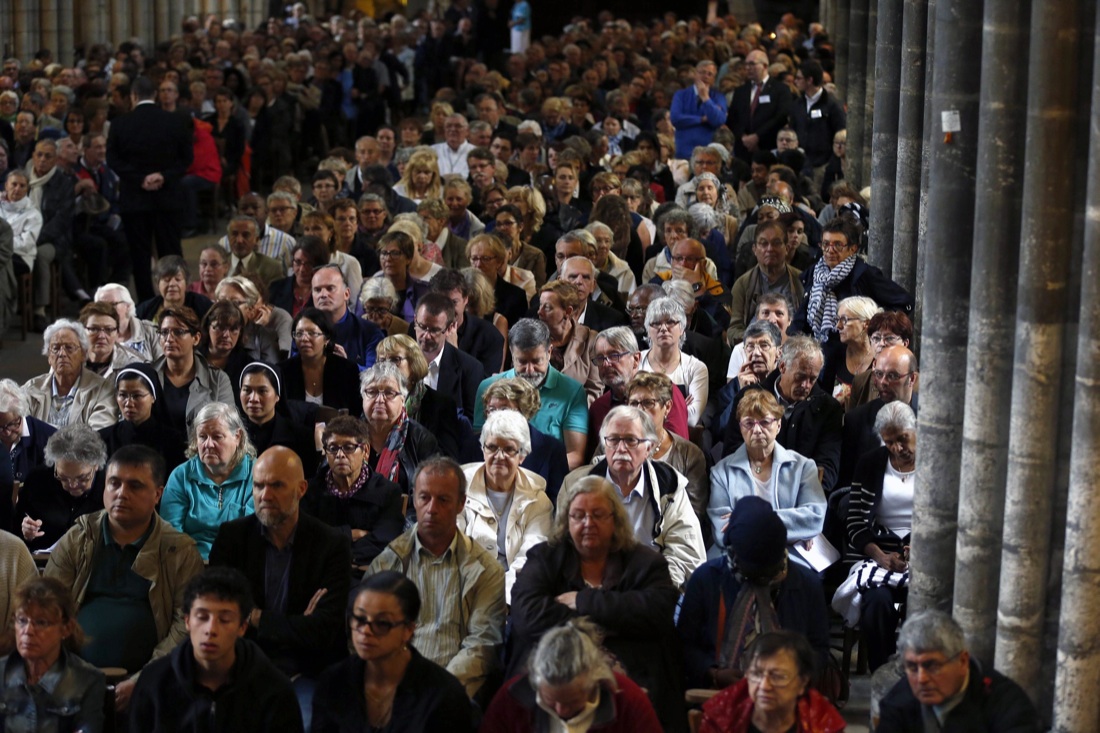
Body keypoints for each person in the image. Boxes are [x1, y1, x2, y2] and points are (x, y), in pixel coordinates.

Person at [508, 475, 685, 731]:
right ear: (566, 521)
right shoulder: (545, 557)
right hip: (553, 666)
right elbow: (526, 614)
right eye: (578, 515)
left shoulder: (646, 563)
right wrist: (613, 619)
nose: (588, 523)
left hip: (632, 673)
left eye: (598, 514)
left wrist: (583, 600)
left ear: (615, 519)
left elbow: (658, 611)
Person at [44, 444, 205, 711]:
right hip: (72, 675)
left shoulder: (179, 550)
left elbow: (185, 626)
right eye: (114, 484)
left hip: (154, 681)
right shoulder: (80, 538)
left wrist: (145, 680)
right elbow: (48, 608)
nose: (121, 494)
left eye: (135, 486)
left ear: (158, 494)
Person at [208, 446, 353, 729]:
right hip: (242, 668)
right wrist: (298, 624)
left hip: (307, 671)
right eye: (259, 486)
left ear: (301, 489)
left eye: (276, 485)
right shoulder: (232, 538)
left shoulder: (331, 545)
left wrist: (254, 617)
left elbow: (324, 631)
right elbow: (221, 617)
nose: (265, 496)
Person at [367, 456, 506, 698]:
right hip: (396, 690)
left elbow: (481, 646)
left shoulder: (486, 570)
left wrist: (438, 691)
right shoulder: (388, 562)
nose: (432, 509)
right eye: (425, 498)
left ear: (461, 503)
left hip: (455, 692)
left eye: (443, 500)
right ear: (414, 499)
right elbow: (368, 634)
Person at [679, 496, 831, 690]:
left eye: (767, 570)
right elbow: (685, 645)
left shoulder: (804, 584)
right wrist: (713, 673)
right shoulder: (707, 580)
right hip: (716, 693)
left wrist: (789, 675)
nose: (760, 577)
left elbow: (819, 649)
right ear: (733, 550)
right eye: (753, 570)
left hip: (786, 696)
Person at [129, 566, 303, 732]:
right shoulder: (154, 682)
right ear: (187, 621)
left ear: (242, 627)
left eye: (225, 619)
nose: (211, 630)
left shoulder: (274, 690)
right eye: (202, 617)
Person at [560, 405, 705, 590]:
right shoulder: (575, 485)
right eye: (613, 440)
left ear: (649, 447)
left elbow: (685, 552)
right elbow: (564, 548)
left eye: (631, 440)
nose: (621, 448)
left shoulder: (669, 487)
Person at [311, 571, 475, 732]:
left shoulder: (443, 696)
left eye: (382, 623)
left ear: (408, 630)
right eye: (360, 619)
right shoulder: (333, 682)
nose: (366, 630)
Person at [831, 402, 917, 671]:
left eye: (902, 439)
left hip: (924, 554)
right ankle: (886, 670)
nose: (897, 449)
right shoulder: (870, 464)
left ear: (915, 430)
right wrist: (880, 556)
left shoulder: (936, 463)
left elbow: (948, 517)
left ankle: (917, 670)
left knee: (926, 602)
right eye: (889, 442)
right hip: (878, 554)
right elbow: (855, 522)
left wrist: (923, 546)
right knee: (876, 604)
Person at [481, 617, 663, 732]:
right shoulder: (512, 698)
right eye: (549, 700)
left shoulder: (627, 700)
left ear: (596, 679)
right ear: (535, 679)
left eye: (571, 702)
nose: (560, 710)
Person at [709, 390, 827, 567]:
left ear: (778, 425)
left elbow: (814, 518)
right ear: (740, 428)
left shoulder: (803, 466)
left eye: (764, 422)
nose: (757, 430)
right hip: (736, 556)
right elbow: (722, 531)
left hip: (787, 556)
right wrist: (791, 531)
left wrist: (748, 519)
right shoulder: (721, 472)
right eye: (749, 423)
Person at [876, 610, 1040, 732]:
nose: (922, 678)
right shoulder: (896, 703)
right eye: (912, 667)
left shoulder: (1007, 706)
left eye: (932, 666)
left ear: (962, 661)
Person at [107, 76, 193, 301]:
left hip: (135, 199)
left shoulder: (120, 123)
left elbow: (113, 160)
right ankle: (176, 299)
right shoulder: (175, 121)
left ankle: (146, 302)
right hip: (168, 198)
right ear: (155, 95)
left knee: (140, 255)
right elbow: (186, 159)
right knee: (171, 251)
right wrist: (163, 176)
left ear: (133, 96)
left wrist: (140, 179)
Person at [460, 409, 552, 602]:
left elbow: (530, 558)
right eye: (492, 447)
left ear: (522, 455)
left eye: (509, 449)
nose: (499, 456)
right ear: (483, 449)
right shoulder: (458, 489)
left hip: (515, 594)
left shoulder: (538, 501)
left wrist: (502, 598)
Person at [473, 318, 589, 469]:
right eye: (522, 361)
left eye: (536, 361)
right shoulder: (488, 387)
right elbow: (477, 445)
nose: (529, 370)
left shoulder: (573, 391)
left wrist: (531, 474)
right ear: (511, 354)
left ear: (549, 352)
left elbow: (575, 455)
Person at [0, 576, 106, 733]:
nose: (28, 631)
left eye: (41, 622)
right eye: (22, 621)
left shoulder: (87, 681)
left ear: (66, 629)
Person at [790, 217, 913, 346]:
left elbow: (904, 302)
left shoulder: (865, 274)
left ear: (853, 248)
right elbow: (803, 315)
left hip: (851, 349)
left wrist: (874, 324)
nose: (830, 250)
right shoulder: (814, 273)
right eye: (826, 244)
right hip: (818, 347)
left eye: (838, 245)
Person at [302, 415, 405, 568]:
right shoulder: (310, 491)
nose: (340, 455)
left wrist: (338, 553)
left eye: (349, 447)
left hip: (367, 574)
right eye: (333, 448)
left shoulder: (387, 492)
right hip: (319, 572)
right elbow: (305, 537)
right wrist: (350, 534)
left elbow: (386, 540)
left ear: (365, 450)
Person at [697, 630, 846, 733]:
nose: (764, 686)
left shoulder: (823, 723)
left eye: (778, 676)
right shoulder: (721, 717)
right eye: (756, 674)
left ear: (802, 683)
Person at [161, 401, 256, 561]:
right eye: (202, 437)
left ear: (237, 437)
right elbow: (171, 535)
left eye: (217, 437)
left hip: (239, 564)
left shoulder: (256, 474)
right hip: (189, 564)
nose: (208, 445)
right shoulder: (181, 476)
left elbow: (254, 535)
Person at [625, 371, 709, 524]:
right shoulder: (611, 446)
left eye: (648, 403)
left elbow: (694, 515)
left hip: (672, 537)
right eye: (634, 403)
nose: (639, 410)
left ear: (668, 407)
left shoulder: (689, 454)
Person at [16, 422, 106, 552]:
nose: (72, 485)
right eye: (63, 478)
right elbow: (17, 528)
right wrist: (26, 533)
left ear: (96, 465)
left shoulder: (111, 485)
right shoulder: (37, 480)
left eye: (82, 478)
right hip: (44, 563)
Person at [151, 306, 235, 434]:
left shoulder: (217, 380)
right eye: (164, 332)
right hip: (153, 452)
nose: (169, 339)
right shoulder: (148, 375)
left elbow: (228, 429)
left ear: (196, 338)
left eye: (178, 332)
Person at [22, 318, 116, 430]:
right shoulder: (31, 389)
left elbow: (96, 437)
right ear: (49, 357)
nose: (62, 354)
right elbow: (17, 429)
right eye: (55, 348)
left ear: (83, 354)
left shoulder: (102, 390)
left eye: (69, 348)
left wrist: (40, 432)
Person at [98, 363, 186, 474]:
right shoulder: (103, 439)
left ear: (153, 397)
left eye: (137, 396)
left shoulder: (173, 441)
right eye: (123, 395)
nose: (128, 403)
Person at [728, 219, 805, 345]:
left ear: (787, 247)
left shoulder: (801, 280)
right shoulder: (742, 284)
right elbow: (733, 329)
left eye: (776, 243)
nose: (770, 249)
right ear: (754, 249)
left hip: (793, 349)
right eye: (764, 244)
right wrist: (757, 341)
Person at [237, 362, 319, 477]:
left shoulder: (300, 436)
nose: (253, 399)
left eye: (262, 391)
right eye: (247, 390)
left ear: (277, 396)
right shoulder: (231, 435)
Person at [639, 296, 709, 428]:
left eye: (670, 322)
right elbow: (630, 411)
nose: (663, 328)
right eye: (656, 323)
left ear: (682, 328)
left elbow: (692, 419)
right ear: (647, 330)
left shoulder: (696, 368)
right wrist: (680, 406)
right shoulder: (635, 362)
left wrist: (648, 408)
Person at [279, 306, 362, 411]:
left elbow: (355, 412)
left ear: (326, 338)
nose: (304, 339)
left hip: (337, 427)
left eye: (312, 333)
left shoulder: (347, 370)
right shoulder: (283, 371)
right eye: (299, 334)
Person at [429, 267, 506, 376]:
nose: (447, 310)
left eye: (454, 302)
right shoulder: (419, 329)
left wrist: (454, 354)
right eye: (441, 302)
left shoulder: (490, 336)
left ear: (465, 299)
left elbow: (483, 387)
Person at [537, 279, 603, 404]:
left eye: (547, 307)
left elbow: (594, 390)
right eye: (540, 305)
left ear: (568, 312)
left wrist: (570, 411)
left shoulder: (591, 340)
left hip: (576, 412)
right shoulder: (532, 337)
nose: (539, 312)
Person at [311, 263, 384, 370]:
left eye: (330, 288)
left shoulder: (370, 332)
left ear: (346, 294)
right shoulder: (303, 333)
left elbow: (376, 376)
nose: (323, 294)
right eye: (317, 290)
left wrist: (346, 365)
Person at [730, 49, 793, 164]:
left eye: (752, 64)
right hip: (743, 151)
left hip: (768, 147)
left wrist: (757, 136)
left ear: (764, 65)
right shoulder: (741, 91)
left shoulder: (780, 89)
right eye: (746, 64)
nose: (748, 68)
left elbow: (781, 116)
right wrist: (744, 137)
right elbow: (733, 119)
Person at [847, 310, 914, 411]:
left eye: (889, 338)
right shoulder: (860, 381)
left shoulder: (917, 381)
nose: (882, 343)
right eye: (876, 338)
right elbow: (851, 422)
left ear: (905, 343)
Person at [825, 295, 880, 408]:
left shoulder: (881, 359)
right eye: (837, 320)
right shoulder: (834, 354)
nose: (838, 326)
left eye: (844, 320)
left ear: (866, 323)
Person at [670, 60, 729, 159]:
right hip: (684, 151)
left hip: (708, 152)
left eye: (710, 74)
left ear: (714, 79)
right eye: (702, 72)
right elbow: (675, 118)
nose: (705, 76)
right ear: (695, 74)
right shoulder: (681, 94)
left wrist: (705, 98)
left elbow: (718, 120)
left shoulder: (719, 97)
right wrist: (702, 119)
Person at [94, 282, 163, 359]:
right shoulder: (92, 336)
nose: (106, 310)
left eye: (113, 304)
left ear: (128, 306)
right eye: (102, 306)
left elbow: (162, 365)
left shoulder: (150, 331)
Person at [135, 255, 213, 322]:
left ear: (187, 283)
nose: (172, 284)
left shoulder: (203, 306)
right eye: (166, 280)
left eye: (178, 279)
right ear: (157, 284)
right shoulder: (144, 310)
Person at [79, 301, 146, 378]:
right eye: (94, 329)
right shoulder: (70, 361)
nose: (101, 336)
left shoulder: (133, 365)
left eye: (109, 329)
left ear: (117, 334)